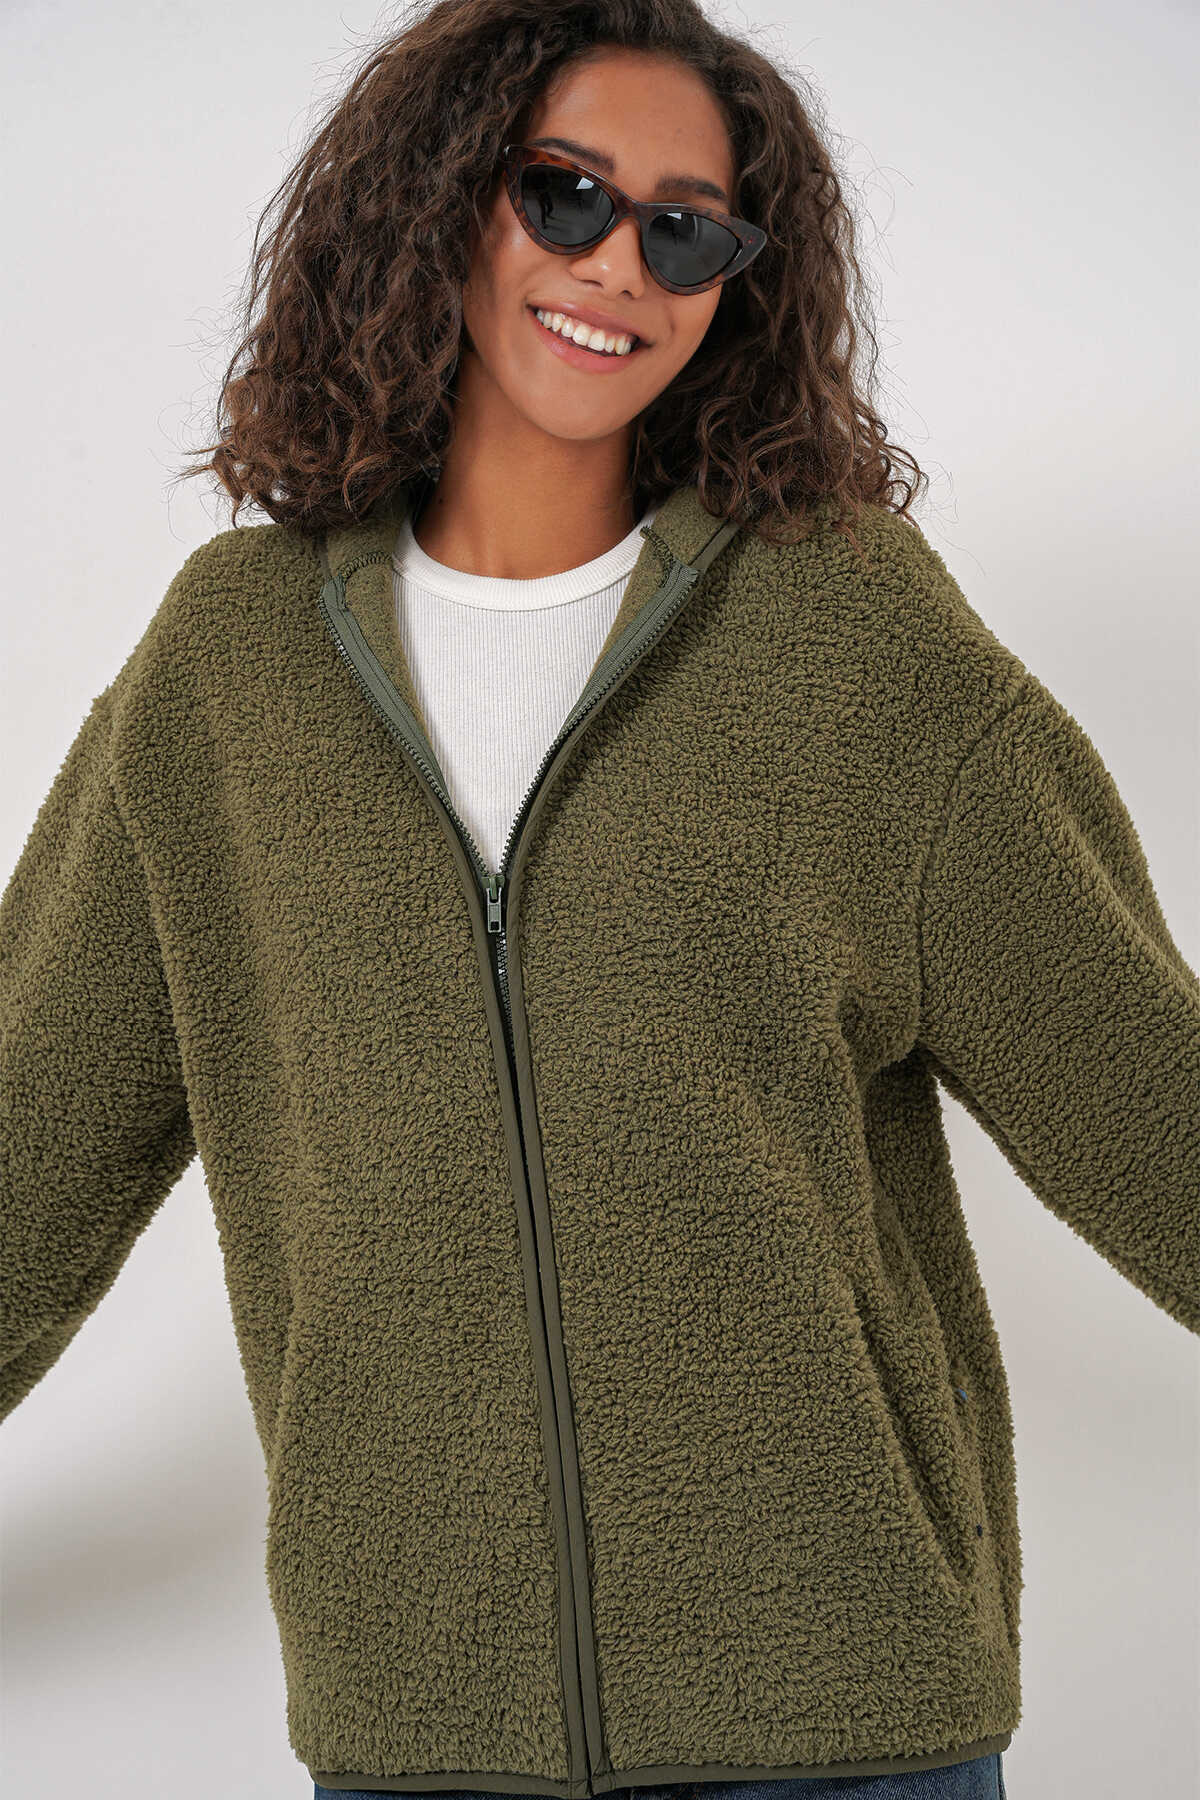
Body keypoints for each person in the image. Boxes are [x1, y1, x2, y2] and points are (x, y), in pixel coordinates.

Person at [2, 4, 1195, 1798]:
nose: (619, 264)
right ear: (433, 203)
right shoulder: (228, 673)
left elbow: (1148, 1102)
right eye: (562, 194)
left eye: (685, 230)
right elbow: (25, 1151)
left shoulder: (852, 644)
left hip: (840, 1717)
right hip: (422, 1724)